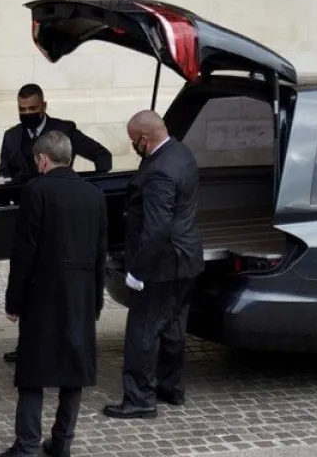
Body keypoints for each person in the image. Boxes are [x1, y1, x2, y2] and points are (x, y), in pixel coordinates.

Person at [0, 132, 107, 457]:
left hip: (44, 295)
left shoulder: (36, 190)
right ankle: (62, 442)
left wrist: (14, 301)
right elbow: (99, 253)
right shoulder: (94, 195)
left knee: (32, 371)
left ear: (42, 159)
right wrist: (96, 301)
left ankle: (27, 444)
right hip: (80, 296)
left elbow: (25, 251)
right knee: (73, 372)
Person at [0, 83, 112, 364]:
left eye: (32, 109)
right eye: (22, 110)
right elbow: (4, 174)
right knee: (31, 273)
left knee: (62, 276)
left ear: (44, 107)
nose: (27, 114)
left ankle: (64, 342)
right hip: (32, 212)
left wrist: (83, 189)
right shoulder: (12, 137)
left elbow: (103, 156)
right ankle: (29, 343)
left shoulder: (65, 130)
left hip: (64, 214)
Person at [103, 110, 203, 420]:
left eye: (134, 141)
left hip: (162, 265)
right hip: (186, 260)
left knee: (142, 332)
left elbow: (157, 228)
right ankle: (171, 387)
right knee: (173, 327)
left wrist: (138, 272)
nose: (134, 146)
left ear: (145, 139)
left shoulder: (160, 171)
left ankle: (140, 399)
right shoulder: (181, 152)